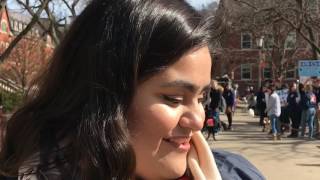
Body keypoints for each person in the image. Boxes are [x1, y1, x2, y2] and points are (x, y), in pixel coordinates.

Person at [0, 0, 265, 179]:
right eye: (174, 99)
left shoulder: (236, 174)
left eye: (201, 97)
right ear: (102, 100)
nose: (198, 119)